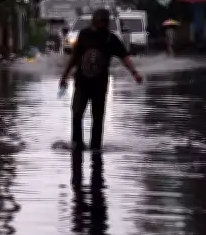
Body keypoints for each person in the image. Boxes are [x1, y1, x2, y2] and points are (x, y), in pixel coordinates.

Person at [59, 8, 143, 151]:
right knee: (77, 112)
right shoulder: (84, 35)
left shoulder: (111, 39)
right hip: (82, 82)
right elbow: (74, 57)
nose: (103, 24)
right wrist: (65, 75)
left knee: (97, 117)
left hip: (100, 84)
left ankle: (96, 146)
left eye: (106, 21)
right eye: (101, 20)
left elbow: (125, 57)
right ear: (95, 20)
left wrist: (134, 73)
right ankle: (77, 143)